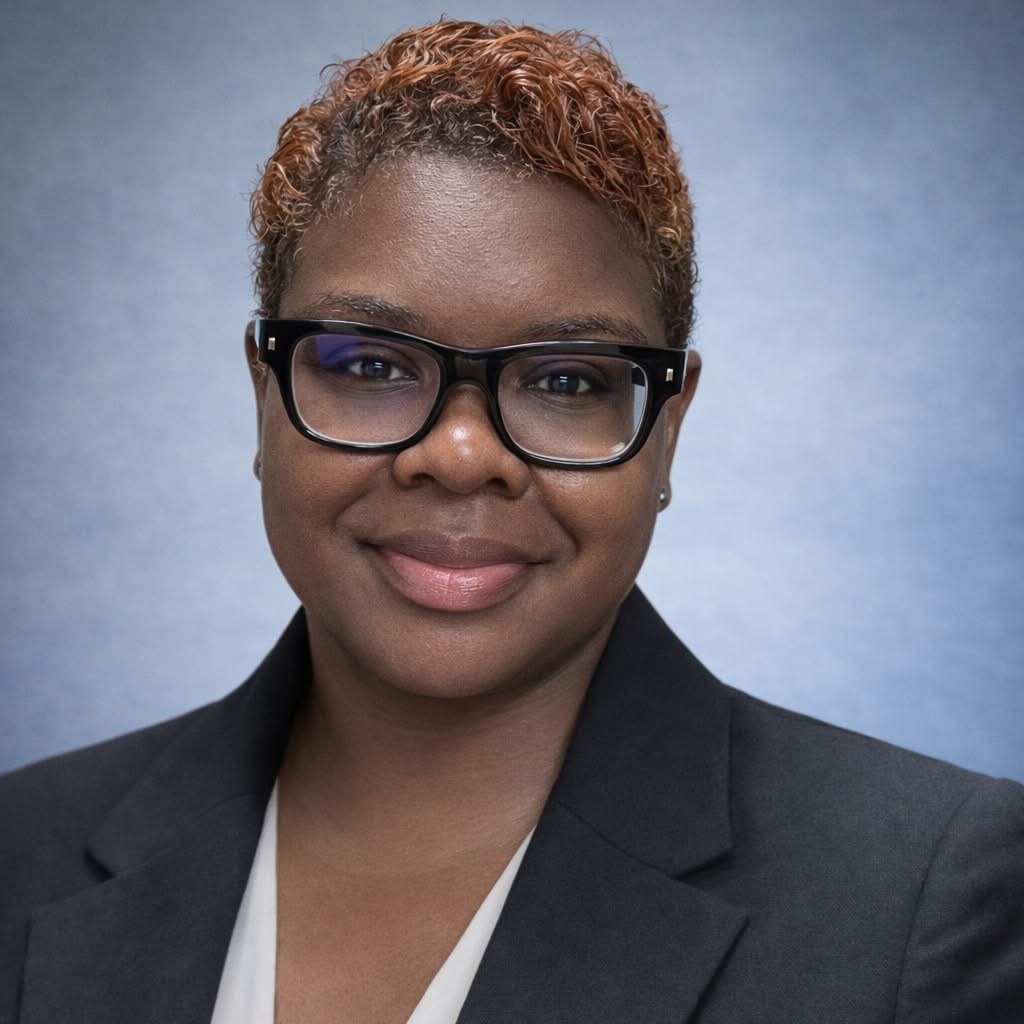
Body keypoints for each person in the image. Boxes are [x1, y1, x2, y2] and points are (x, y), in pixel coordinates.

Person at [1, 18, 1021, 1024]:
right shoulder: (21, 851)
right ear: (263, 395)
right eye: (369, 364)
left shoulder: (925, 902)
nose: (458, 455)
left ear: (665, 430)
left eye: (567, 378)